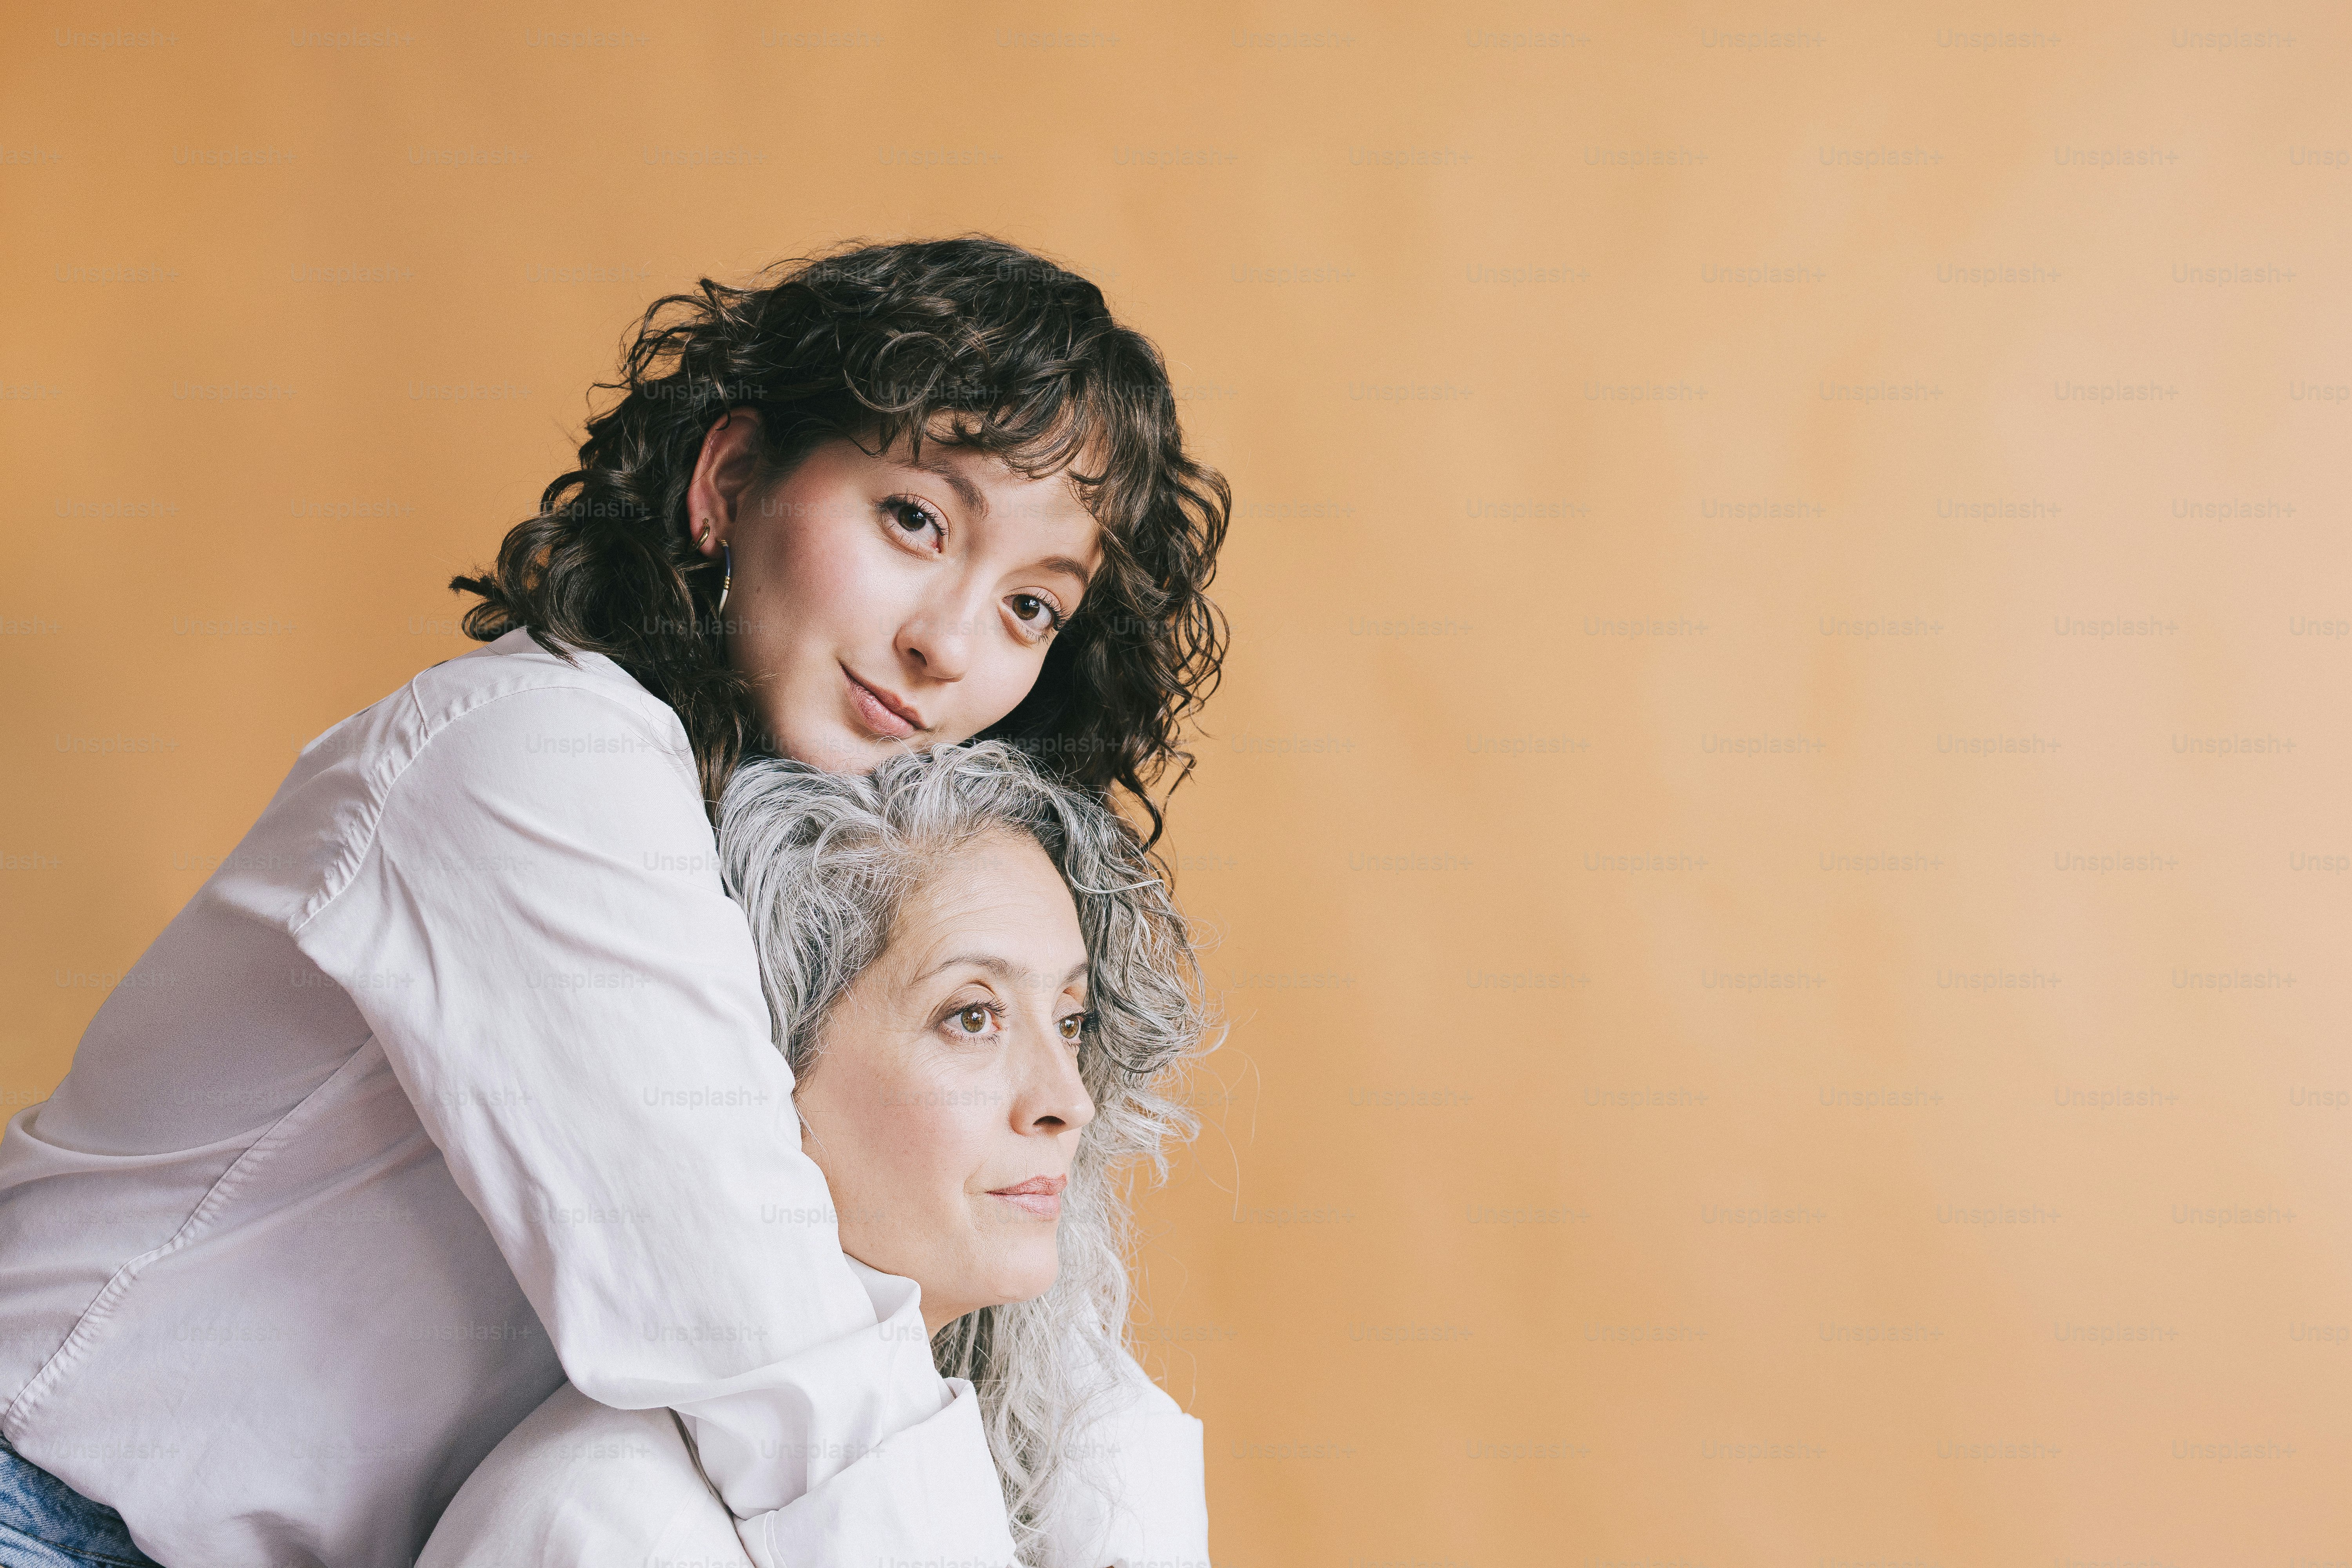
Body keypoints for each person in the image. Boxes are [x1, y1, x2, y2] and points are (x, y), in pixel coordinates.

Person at [0, 237, 1228, 1568]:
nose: (950, 644)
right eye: (914, 521)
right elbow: (759, 1321)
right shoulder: (536, 755)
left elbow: (1036, 1338)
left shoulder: (780, 867)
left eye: (1033, 606)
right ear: (730, 482)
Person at [420, 742, 1214, 1568]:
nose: (1068, 1100)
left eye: (1070, 1018)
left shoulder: (1069, 1441)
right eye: (972, 1015)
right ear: (771, 1068)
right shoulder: (610, 1524)